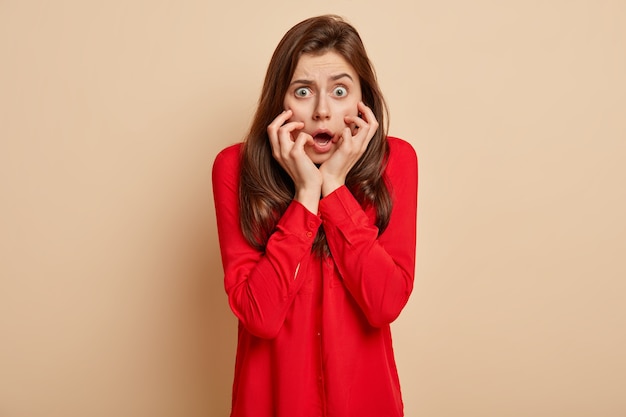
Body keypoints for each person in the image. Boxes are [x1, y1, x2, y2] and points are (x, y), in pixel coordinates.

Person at [212, 14, 418, 417]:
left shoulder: (396, 164)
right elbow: (261, 317)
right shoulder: (233, 169)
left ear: (363, 102)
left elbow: (384, 305)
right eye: (303, 91)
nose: (323, 111)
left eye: (340, 90)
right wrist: (306, 195)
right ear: (279, 103)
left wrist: (336, 188)